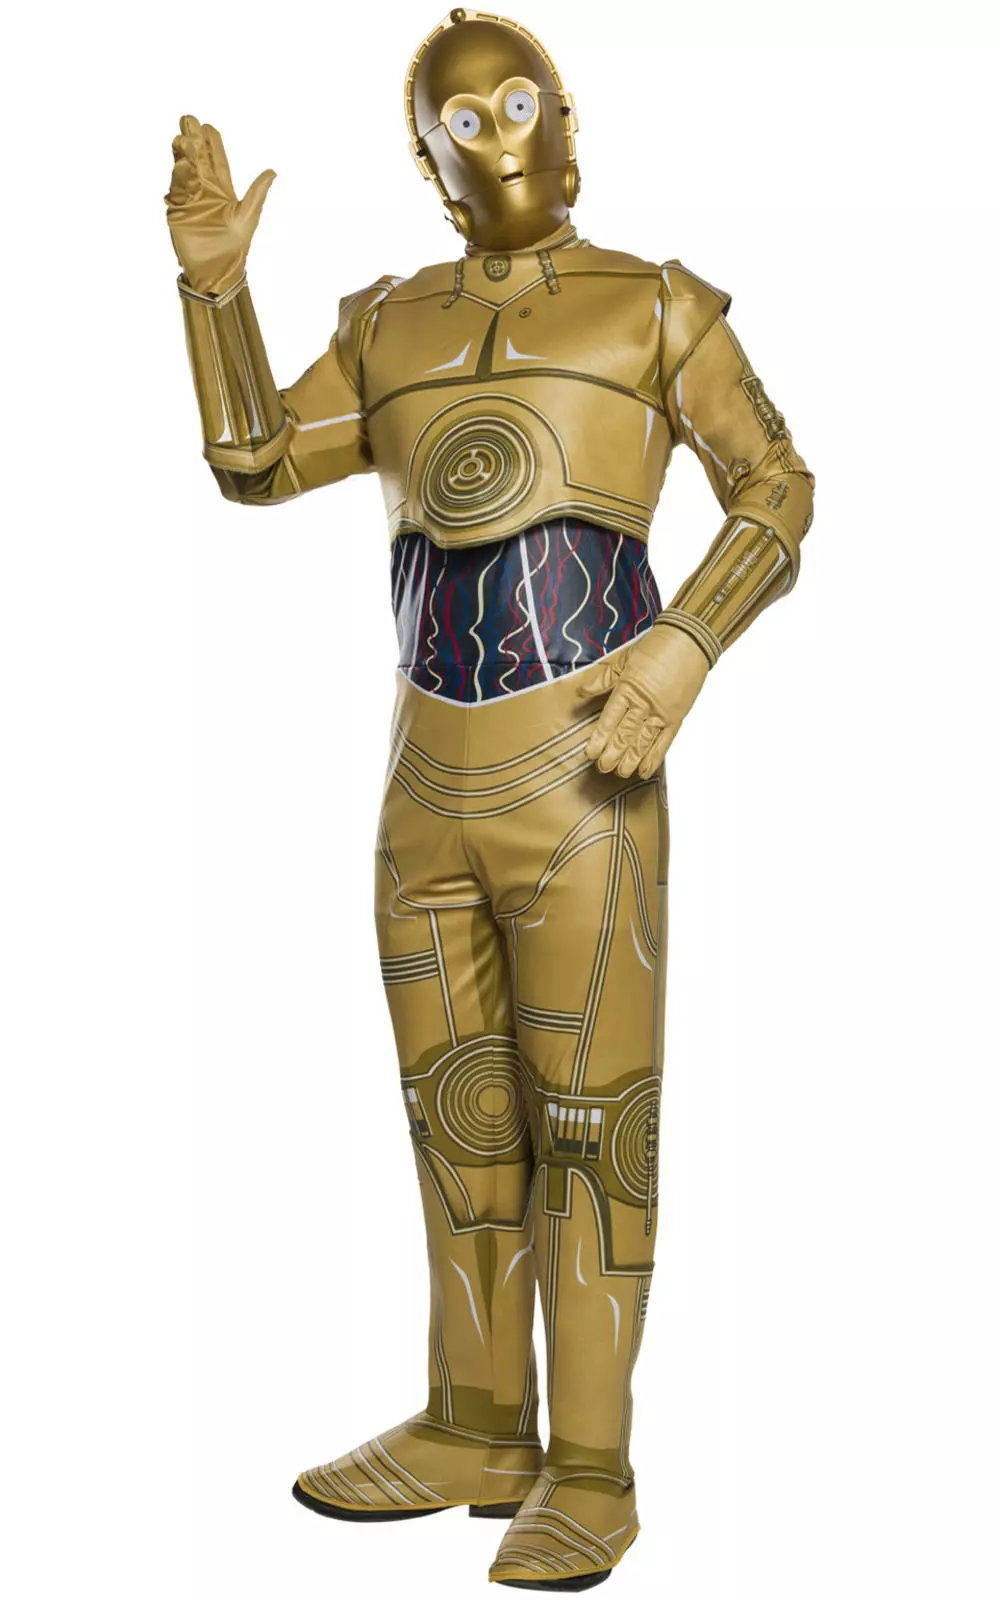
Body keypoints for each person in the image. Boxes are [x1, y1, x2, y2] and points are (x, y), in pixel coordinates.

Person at [166, 9, 814, 1589]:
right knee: (457, 1115)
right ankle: (476, 1422)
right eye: (466, 118)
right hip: (423, 784)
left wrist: (683, 647)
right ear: (428, 156)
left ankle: (591, 1466)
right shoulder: (386, 323)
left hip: (585, 769)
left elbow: (778, 487)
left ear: (567, 111)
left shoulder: (656, 306)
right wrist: (215, 291)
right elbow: (255, 460)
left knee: (593, 1124)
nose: (503, 134)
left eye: (523, 101)